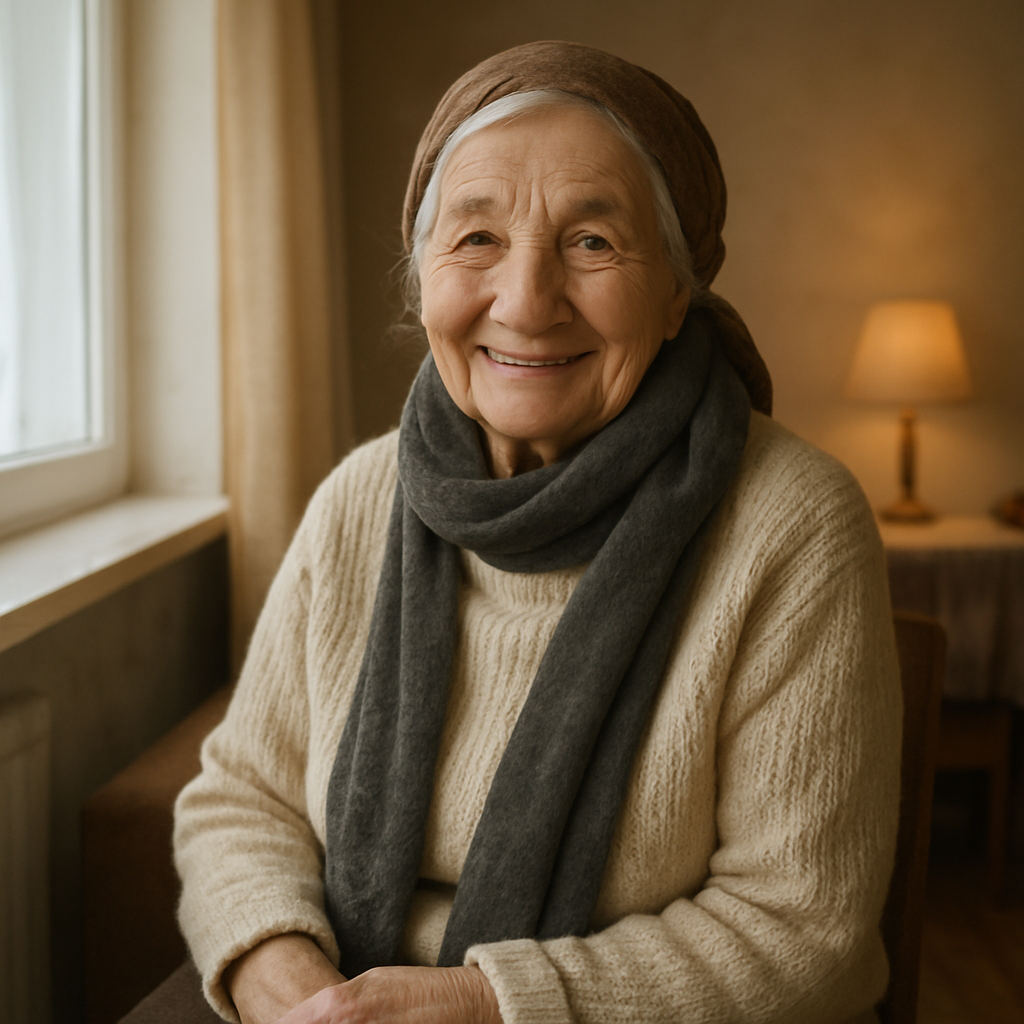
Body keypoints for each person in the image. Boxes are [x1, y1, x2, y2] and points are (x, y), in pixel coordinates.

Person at [174, 40, 901, 1024]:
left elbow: (799, 927)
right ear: (421, 277)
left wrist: (486, 1005)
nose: (523, 302)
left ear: (678, 291)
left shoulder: (794, 524)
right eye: (476, 238)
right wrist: (298, 991)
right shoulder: (360, 497)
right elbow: (240, 800)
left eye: (593, 243)